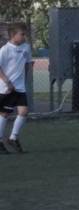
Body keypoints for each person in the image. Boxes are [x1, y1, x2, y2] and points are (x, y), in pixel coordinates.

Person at [0, 23, 33, 154]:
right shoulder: (5, 50)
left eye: (25, 34)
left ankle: (13, 138)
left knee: (23, 112)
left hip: (20, 87)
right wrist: (7, 82)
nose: (25, 37)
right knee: (4, 114)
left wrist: (24, 79)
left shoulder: (26, 47)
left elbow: (27, 63)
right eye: (22, 34)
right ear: (13, 35)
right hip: (7, 88)